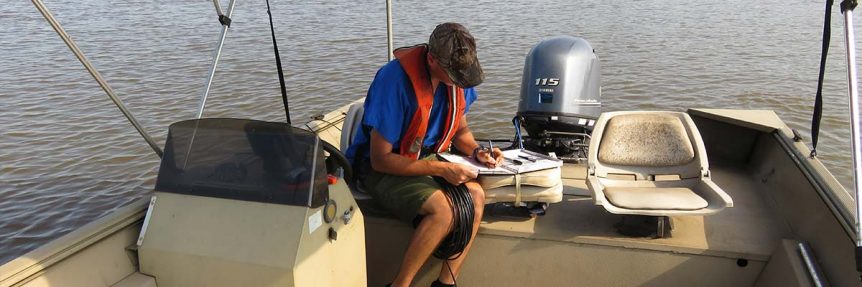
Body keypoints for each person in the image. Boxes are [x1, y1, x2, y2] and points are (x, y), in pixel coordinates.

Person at [346, 23, 503, 287]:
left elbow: (459, 129)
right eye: (455, 74)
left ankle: (446, 283)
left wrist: (477, 151)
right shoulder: (393, 80)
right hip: (382, 167)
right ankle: (400, 284)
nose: (460, 81)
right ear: (431, 59)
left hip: (428, 157)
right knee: (443, 211)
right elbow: (380, 159)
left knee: (476, 196)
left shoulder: (458, 80)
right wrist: (442, 170)